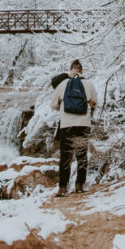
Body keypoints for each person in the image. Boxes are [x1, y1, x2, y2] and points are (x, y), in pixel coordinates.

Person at [50, 59, 97, 196]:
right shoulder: (89, 84)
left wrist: (64, 108)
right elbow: (94, 103)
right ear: (82, 71)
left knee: (65, 156)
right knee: (82, 155)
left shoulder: (63, 84)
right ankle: (80, 186)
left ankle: (63, 188)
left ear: (71, 70)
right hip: (83, 124)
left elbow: (53, 105)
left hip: (67, 125)